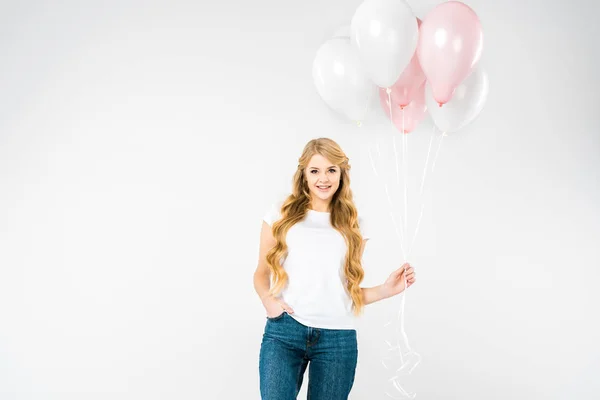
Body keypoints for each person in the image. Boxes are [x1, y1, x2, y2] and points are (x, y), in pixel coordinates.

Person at [254, 137, 416, 400]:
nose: (323, 179)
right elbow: (261, 272)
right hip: (284, 332)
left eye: (331, 170)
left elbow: (346, 292)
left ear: (342, 173)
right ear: (304, 174)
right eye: (314, 171)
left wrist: (386, 290)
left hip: (336, 340)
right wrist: (268, 301)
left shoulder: (354, 222)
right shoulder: (280, 213)